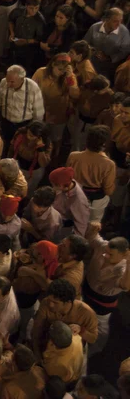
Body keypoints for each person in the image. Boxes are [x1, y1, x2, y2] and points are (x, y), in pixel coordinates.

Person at [84, 222, 130, 357]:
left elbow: (126, 286)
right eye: (107, 253)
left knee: (100, 328)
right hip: (87, 291)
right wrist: (93, 228)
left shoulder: (123, 268)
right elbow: (91, 239)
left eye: (111, 255)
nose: (106, 256)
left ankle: (96, 350)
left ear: (124, 254)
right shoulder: (104, 247)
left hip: (102, 305)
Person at [66, 125, 116, 221]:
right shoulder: (109, 164)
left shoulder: (73, 156)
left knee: (74, 220)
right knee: (92, 224)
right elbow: (108, 191)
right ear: (105, 144)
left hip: (74, 194)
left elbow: (68, 177)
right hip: (95, 200)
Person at [0, 65, 45, 151]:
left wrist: (33, 130)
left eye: (12, 82)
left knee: (20, 149)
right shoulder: (4, 82)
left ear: (22, 79)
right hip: (6, 123)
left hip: (24, 125)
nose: (8, 84)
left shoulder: (32, 87)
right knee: (5, 145)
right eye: (8, 81)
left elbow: (38, 112)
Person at [84, 7, 130, 80]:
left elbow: (125, 52)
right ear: (107, 19)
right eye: (115, 21)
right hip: (92, 63)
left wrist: (110, 58)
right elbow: (85, 44)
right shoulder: (95, 27)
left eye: (120, 21)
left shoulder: (124, 32)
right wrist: (94, 52)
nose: (119, 24)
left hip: (111, 68)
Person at [49, 167, 90, 238]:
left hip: (62, 227)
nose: (52, 187)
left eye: (54, 185)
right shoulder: (66, 182)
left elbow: (81, 226)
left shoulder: (79, 201)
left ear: (62, 186)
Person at [8, 0, 46, 73]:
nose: (34, 11)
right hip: (15, 44)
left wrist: (26, 41)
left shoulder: (40, 20)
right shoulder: (17, 12)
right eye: (31, 8)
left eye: (36, 8)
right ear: (26, 6)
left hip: (29, 50)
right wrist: (12, 33)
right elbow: (11, 20)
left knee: (25, 69)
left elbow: (40, 39)